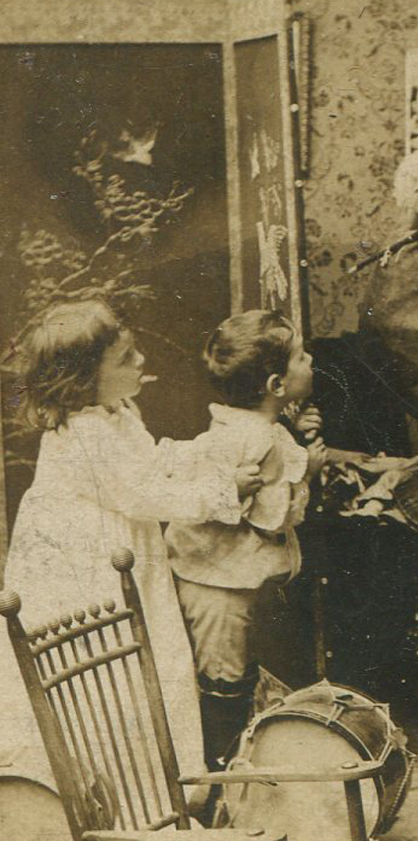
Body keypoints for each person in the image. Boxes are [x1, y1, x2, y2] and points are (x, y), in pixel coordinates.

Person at [0, 298, 263, 787]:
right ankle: (118, 789)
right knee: (106, 666)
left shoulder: (116, 412)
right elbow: (146, 493)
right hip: (85, 566)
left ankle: (159, 785)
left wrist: (209, 458)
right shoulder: (85, 434)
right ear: (82, 381)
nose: (141, 361)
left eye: (135, 350)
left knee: (144, 655)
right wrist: (224, 489)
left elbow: (150, 461)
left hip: (122, 547)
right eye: (125, 358)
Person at [165, 309, 327, 770]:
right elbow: (272, 517)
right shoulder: (256, 440)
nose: (311, 361)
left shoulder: (248, 426)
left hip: (225, 574)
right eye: (301, 356)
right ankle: (221, 775)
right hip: (215, 583)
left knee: (237, 669)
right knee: (223, 676)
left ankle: (237, 762)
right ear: (276, 385)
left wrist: (296, 440)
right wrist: (307, 472)